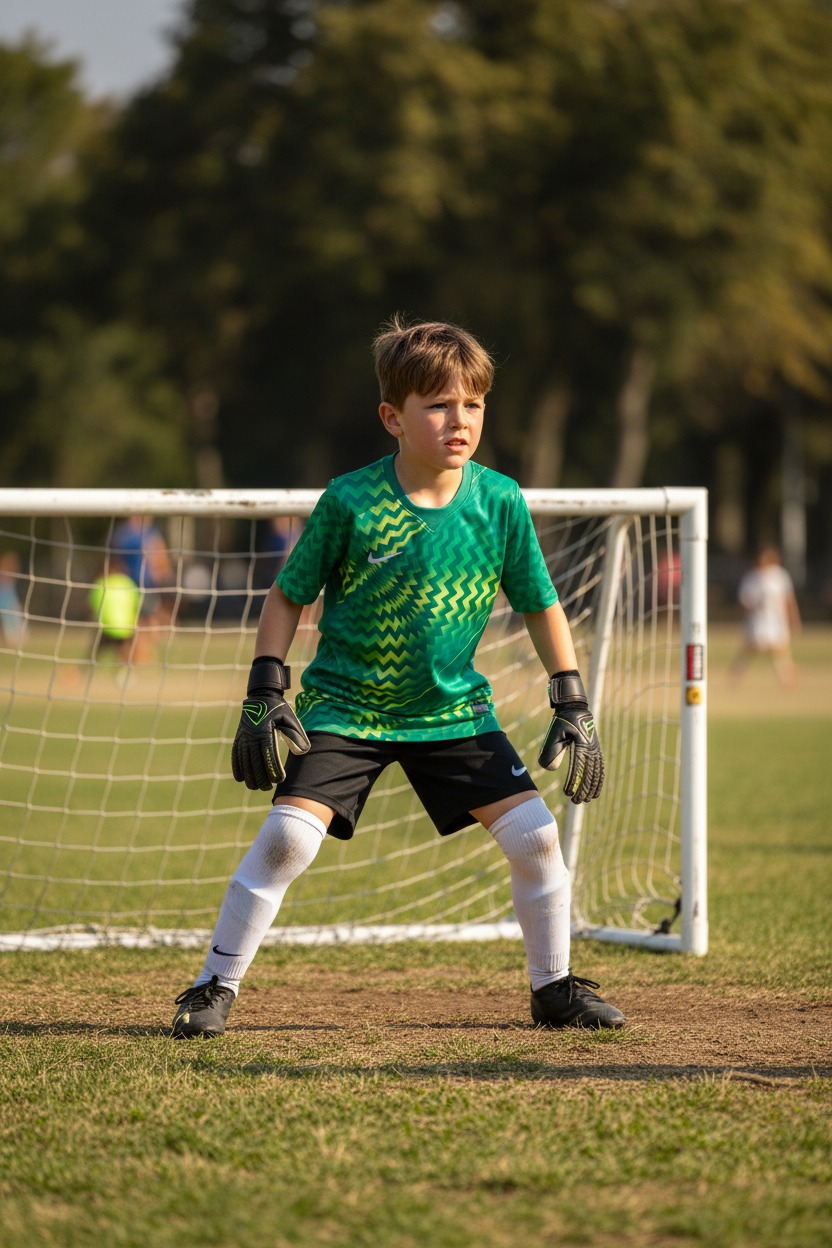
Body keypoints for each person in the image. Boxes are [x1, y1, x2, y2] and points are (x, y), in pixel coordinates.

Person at [171, 317, 624, 1038]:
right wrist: (266, 687)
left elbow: (540, 604)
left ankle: (554, 989)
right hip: (345, 709)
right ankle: (212, 988)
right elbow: (289, 593)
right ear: (393, 417)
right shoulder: (351, 500)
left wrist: (571, 695)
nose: (460, 419)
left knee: (537, 840)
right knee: (289, 842)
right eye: (439, 404)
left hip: (452, 713)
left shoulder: (499, 500)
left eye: (473, 403)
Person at [731, 546, 801, 687]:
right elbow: (744, 601)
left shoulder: (780, 576)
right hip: (758, 620)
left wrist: (794, 618)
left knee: (779, 650)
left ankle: (787, 680)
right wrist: (753, 607)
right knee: (751, 649)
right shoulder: (751, 578)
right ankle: (735, 676)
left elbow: (788, 599)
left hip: (776, 620)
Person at [111, 515, 174, 661]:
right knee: (141, 621)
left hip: (143, 585)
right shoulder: (129, 535)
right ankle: (139, 655)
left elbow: (160, 557)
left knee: (145, 620)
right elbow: (117, 560)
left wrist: (162, 573)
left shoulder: (140, 534)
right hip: (130, 586)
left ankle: (141, 654)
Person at [89, 557, 141, 670]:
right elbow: (135, 604)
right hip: (126, 627)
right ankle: (124, 673)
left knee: (94, 652)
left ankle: (84, 671)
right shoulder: (127, 582)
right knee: (124, 651)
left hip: (106, 626)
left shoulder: (101, 583)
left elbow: (94, 606)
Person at [0, 550, 25, 645]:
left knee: (13, 614)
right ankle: (11, 636)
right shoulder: (4, 578)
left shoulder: (10, 579)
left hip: (8, 602)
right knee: (10, 615)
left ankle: (15, 635)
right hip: (5, 602)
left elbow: (11, 595)